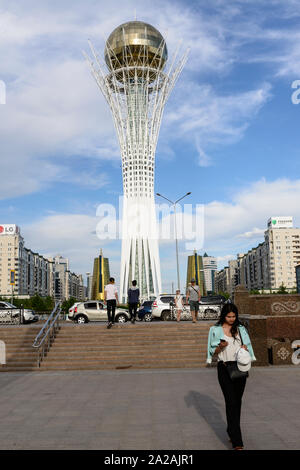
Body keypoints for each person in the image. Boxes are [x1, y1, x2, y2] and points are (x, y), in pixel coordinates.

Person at [207, 303, 256, 450]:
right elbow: (212, 351)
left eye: (234, 316)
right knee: (230, 401)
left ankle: (231, 429)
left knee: (237, 402)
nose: (232, 319)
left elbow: (248, 346)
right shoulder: (215, 330)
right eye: (229, 316)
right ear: (223, 316)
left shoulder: (241, 329)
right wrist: (220, 347)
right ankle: (237, 441)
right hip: (224, 368)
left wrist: (245, 348)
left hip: (240, 368)